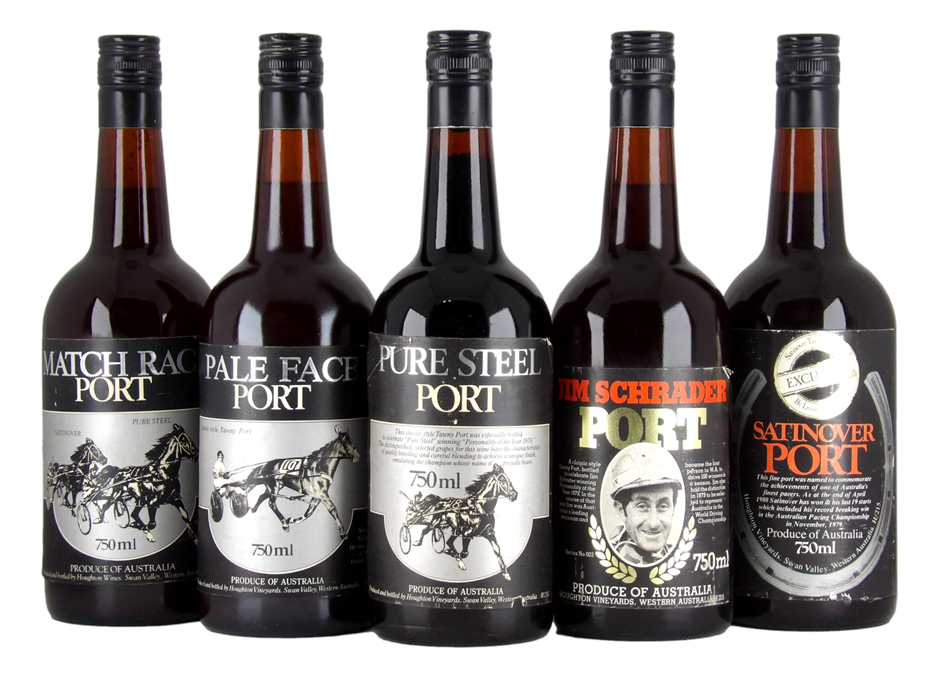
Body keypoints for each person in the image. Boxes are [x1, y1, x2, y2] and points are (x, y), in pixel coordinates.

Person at [607, 443, 682, 566]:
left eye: (663, 506)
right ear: (621, 509)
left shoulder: (679, 555)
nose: (654, 524)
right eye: (642, 506)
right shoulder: (608, 557)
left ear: (674, 506)